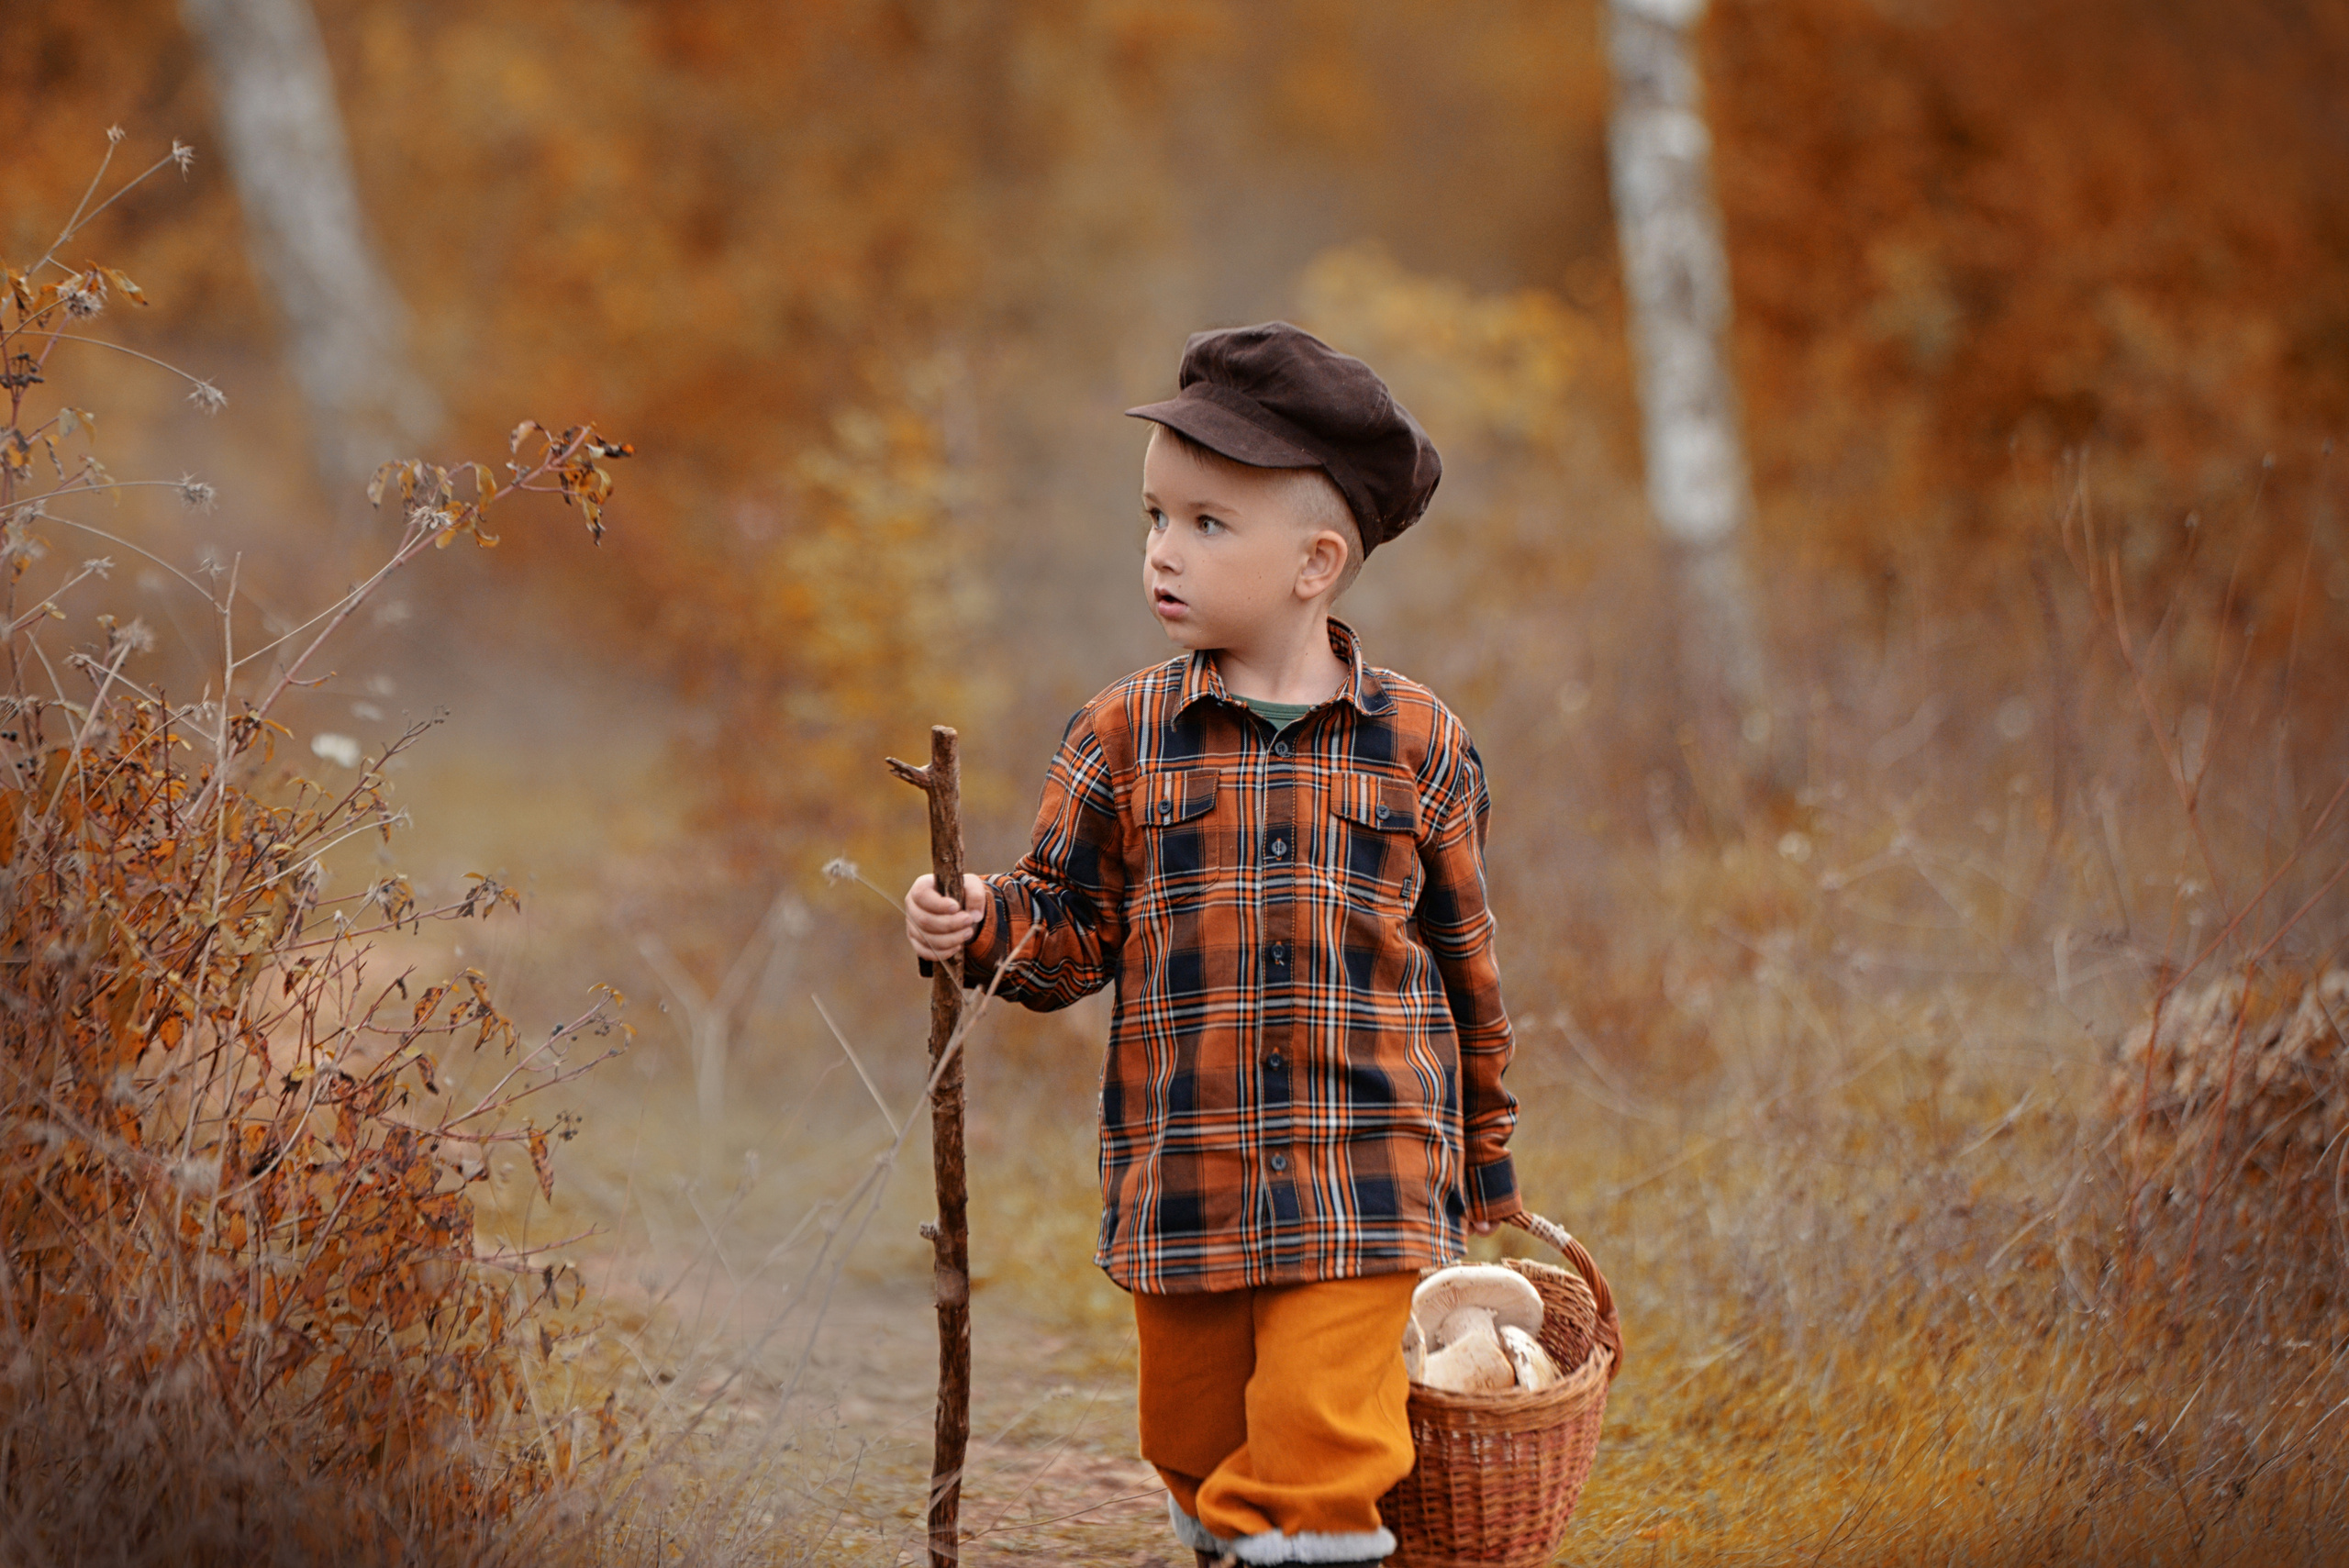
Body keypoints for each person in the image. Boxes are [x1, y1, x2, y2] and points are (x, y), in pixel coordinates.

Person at [903, 321, 1521, 1568]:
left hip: (1369, 1182)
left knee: (1312, 1451)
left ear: (1316, 562)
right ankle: (1230, 1538)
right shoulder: (1123, 734)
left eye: (1206, 523)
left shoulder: (1418, 745)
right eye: (1155, 518)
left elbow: (1467, 967)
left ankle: (1291, 1537)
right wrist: (980, 922)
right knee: (1195, 1443)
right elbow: (1071, 934)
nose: (1163, 552)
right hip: (1186, 1179)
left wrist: (1488, 1161)